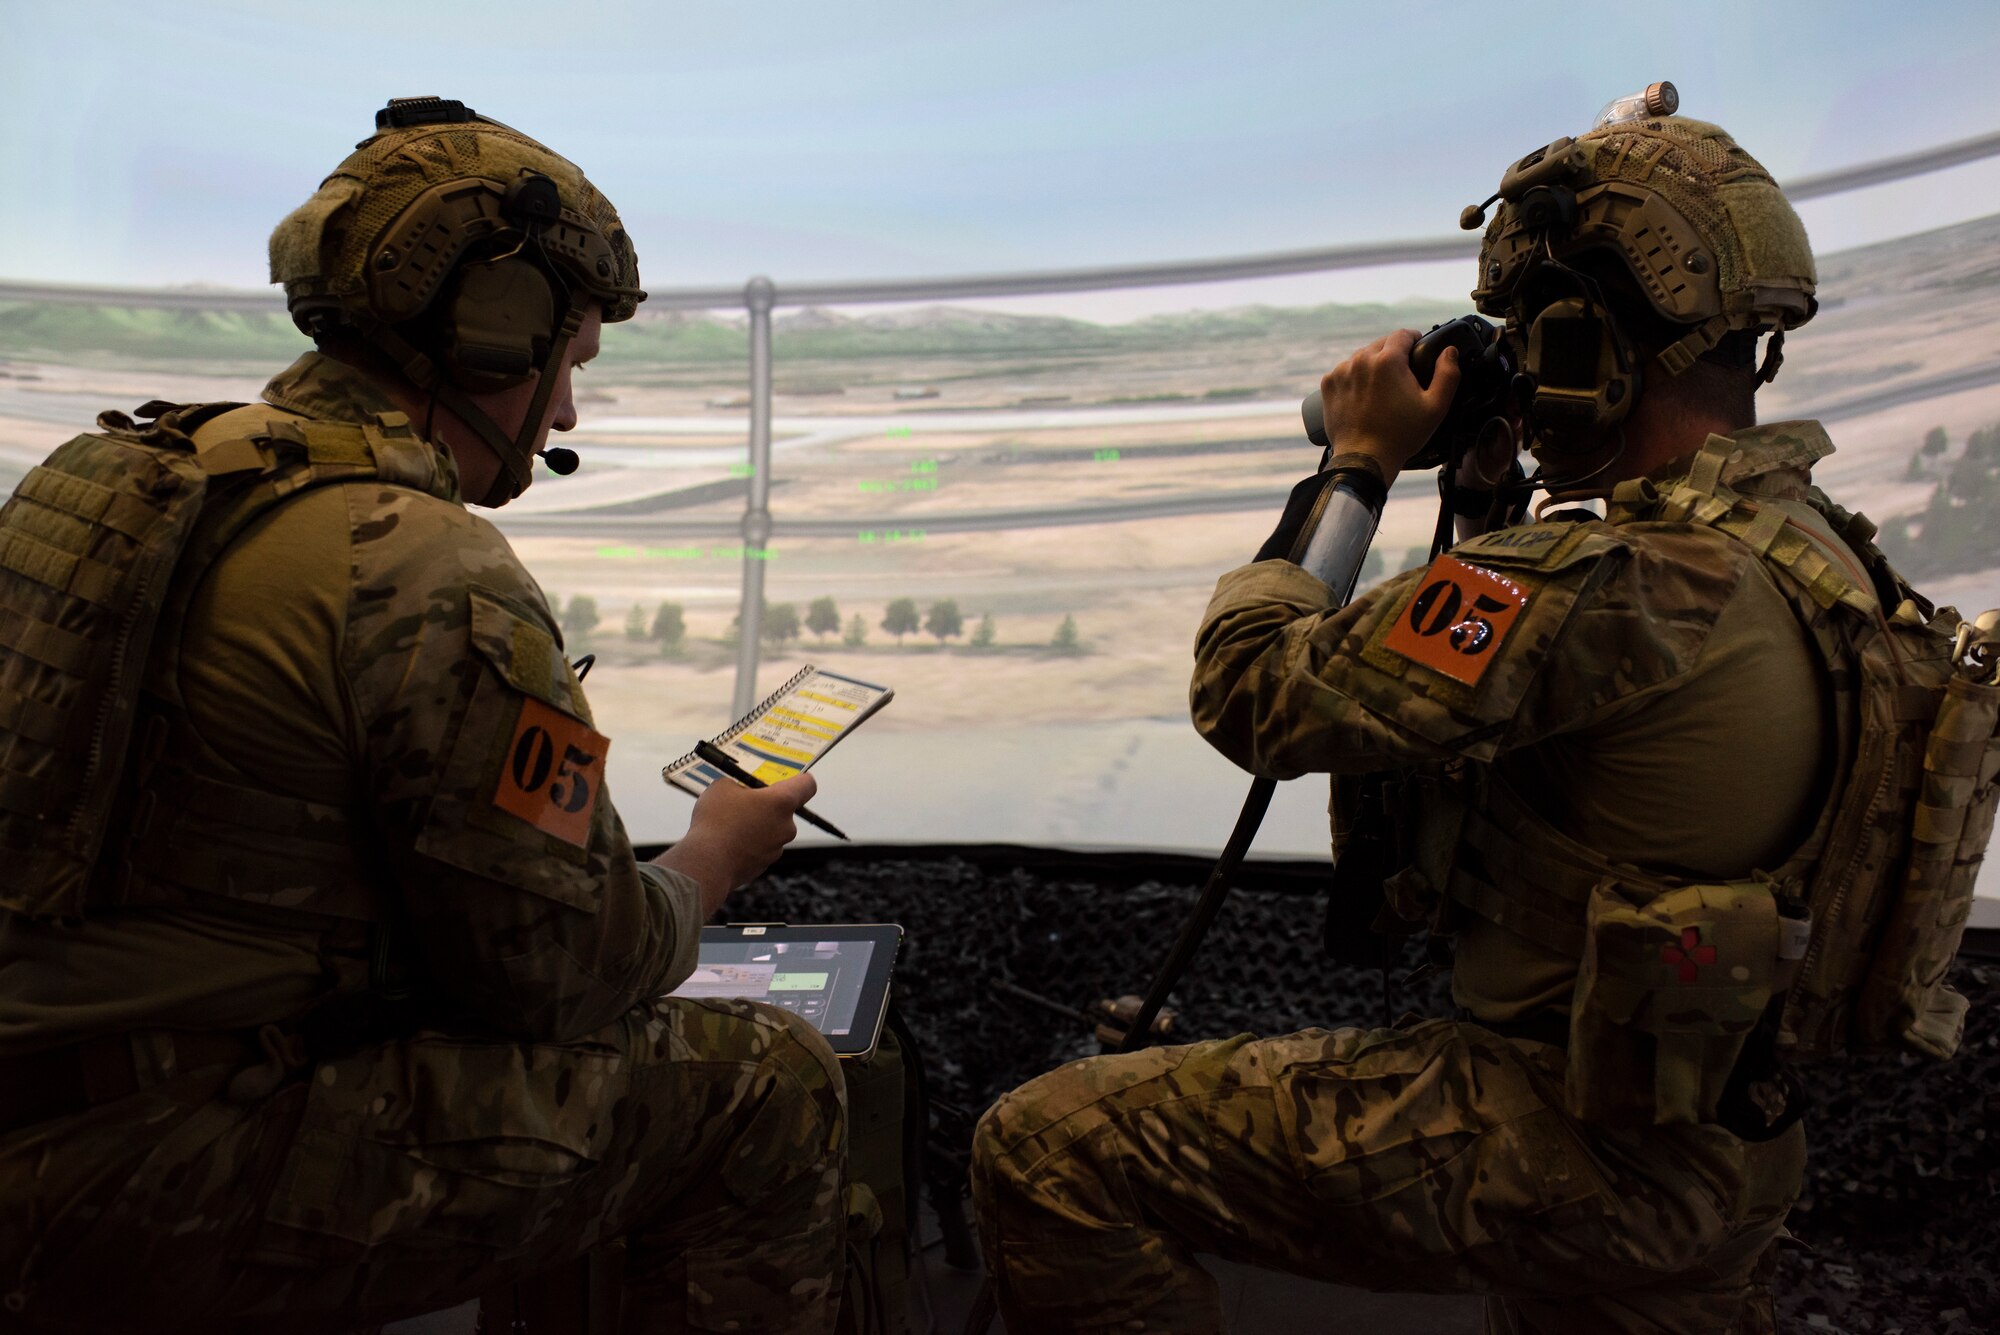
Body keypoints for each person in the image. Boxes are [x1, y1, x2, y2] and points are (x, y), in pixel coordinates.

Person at [970, 109, 1950, 1333]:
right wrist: (1487, 505)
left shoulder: (1619, 578)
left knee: (1053, 1147)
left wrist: (1354, 467)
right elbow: (1521, 693)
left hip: (1566, 1139)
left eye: (1525, 339)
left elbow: (1253, 693)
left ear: (1576, 338)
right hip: (1714, 1131)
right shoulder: (1814, 554)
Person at [0, 98, 845, 1334]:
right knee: (766, 1086)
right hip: (128, 1169)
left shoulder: (125, 484)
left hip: (48, 1102)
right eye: (569, 366)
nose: (562, 415)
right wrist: (711, 856)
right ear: (495, 332)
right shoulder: (414, 561)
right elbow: (561, 973)